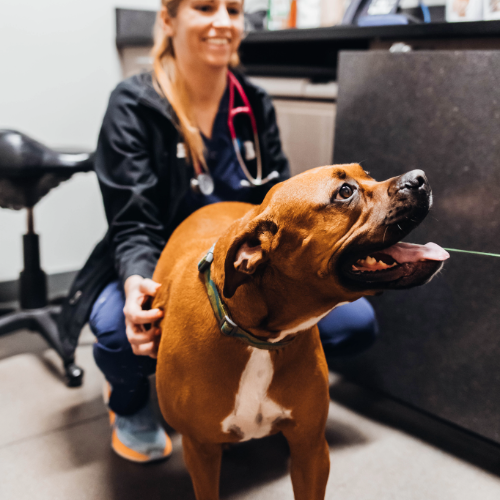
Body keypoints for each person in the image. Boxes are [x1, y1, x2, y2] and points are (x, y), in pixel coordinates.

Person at [58, 0, 378, 464]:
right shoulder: (134, 105)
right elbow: (133, 223)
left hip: (245, 272)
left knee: (354, 324)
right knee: (122, 334)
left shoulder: (253, 103)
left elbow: (280, 203)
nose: (223, 22)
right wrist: (136, 282)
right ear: (168, 19)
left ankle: (253, 393)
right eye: (205, 7)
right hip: (157, 259)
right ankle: (128, 402)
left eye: (233, 8)